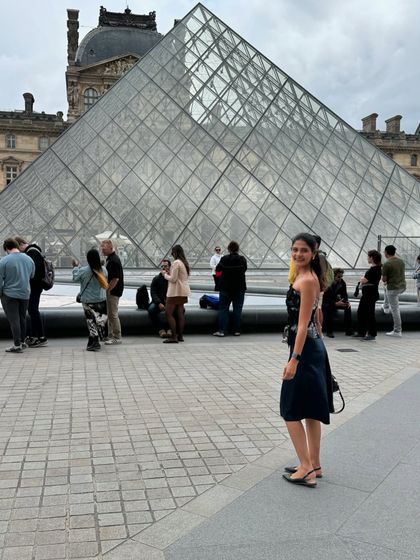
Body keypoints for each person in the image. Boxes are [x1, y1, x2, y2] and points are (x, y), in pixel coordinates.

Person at [281, 233, 334, 488]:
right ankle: (315, 463)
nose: (297, 254)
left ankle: (305, 469)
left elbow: (302, 327)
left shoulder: (308, 280)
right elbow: (313, 319)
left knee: (289, 410)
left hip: (305, 351)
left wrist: (294, 360)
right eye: (294, 249)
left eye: (303, 250)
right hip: (312, 349)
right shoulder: (305, 277)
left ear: (313, 253)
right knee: (311, 412)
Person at [0, 237, 35, 353]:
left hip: (9, 294)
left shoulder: (4, 261)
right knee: (22, 318)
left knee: (13, 320)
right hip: (25, 293)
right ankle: (23, 342)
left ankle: (17, 345)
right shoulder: (28, 259)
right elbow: (32, 275)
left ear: (6, 248)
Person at [15, 236, 48, 347]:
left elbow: (35, 272)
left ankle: (39, 337)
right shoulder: (34, 251)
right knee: (33, 310)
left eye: (17, 249)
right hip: (36, 286)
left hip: (34, 286)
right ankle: (36, 336)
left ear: (20, 245)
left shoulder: (32, 252)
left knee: (33, 310)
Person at [72, 249, 108, 351]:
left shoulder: (84, 270)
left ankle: (94, 343)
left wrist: (75, 267)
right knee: (99, 321)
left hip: (88, 301)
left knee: (91, 321)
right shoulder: (104, 270)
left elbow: (75, 278)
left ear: (88, 259)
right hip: (101, 299)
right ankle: (94, 340)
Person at [213, 240, 247, 337]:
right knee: (237, 309)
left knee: (223, 309)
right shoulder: (242, 259)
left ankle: (222, 330)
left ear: (228, 249)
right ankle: (237, 330)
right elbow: (244, 270)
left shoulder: (224, 259)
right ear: (238, 249)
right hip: (239, 287)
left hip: (225, 287)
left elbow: (218, 270)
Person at [162, 245, 190, 343]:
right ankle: (180, 336)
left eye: (172, 253)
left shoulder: (176, 262)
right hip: (183, 292)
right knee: (180, 314)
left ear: (175, 253)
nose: (172, 255)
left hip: (175, 292)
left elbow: (173, 279)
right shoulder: (184, 263)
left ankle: (174, 337)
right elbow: (178, 277)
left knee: (168, 313)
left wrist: (165, 275)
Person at [101, 239, 124, 345]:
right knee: (110, 314)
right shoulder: (111, 259)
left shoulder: (114, 260)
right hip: (113, 290)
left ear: (110, 247)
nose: (102, 250)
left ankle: (117, 336)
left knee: (113, 314)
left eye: (104, 248)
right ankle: (111, 335)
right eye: (101, 247)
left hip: (113, 291)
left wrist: (108, 290)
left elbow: (115, 279)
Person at [356, 250, 382, 341]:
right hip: (369, 293)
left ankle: (371, 333)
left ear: (372, 257)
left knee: (369, 313)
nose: (367, 258)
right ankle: (362, 332)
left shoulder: (374, 269)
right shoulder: (376, 268)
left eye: (368, 257)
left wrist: (362, 279)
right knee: (362, 311)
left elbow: (364, 280)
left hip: (370, 294)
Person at [381, 245, 406, 337]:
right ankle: (386, 306)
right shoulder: (401, 261)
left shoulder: (387, 264)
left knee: (395, 309)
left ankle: (397, 331)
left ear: (386, 253)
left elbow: (384, 279)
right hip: (402, 286)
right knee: (385, 288)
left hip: (393, 288)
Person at [321, 268, 353, 337]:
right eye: (339, 277)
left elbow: (344, 294)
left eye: (341, 276)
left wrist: (346, 301)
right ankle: (329, 331)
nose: (340, 278)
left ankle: (349, 330)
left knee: (348, 307)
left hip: (336, 302)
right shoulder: (327, 284)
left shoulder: (342, 283)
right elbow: (324, 298)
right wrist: (334, 303)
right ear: (333, 276)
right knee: (328, 308)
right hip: (327, 303)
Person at [148, 259, 172, 338]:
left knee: (179, 310)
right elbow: (153, 293)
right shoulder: (156, 279)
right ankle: (160, 329)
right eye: (162, 266)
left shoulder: (172, 279)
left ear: (170, 267)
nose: (164, 268)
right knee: (151, 310)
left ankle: (170, 329)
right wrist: (158, 303)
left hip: (170, 302)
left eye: (166, 266)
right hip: (158, 302)